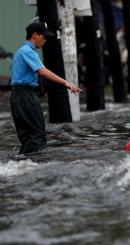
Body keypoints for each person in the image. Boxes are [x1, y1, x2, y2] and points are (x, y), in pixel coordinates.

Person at [10, 22, 82, 154]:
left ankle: (24, 163)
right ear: (35, 35)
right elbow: (42, 71)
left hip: (20, 95)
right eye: (44, 36)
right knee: (36, 135)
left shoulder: (22, 51)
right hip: (25, 96)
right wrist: (66, 83)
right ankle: (32, 166)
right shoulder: (28, 51)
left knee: (29, 136)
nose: (45, 40)